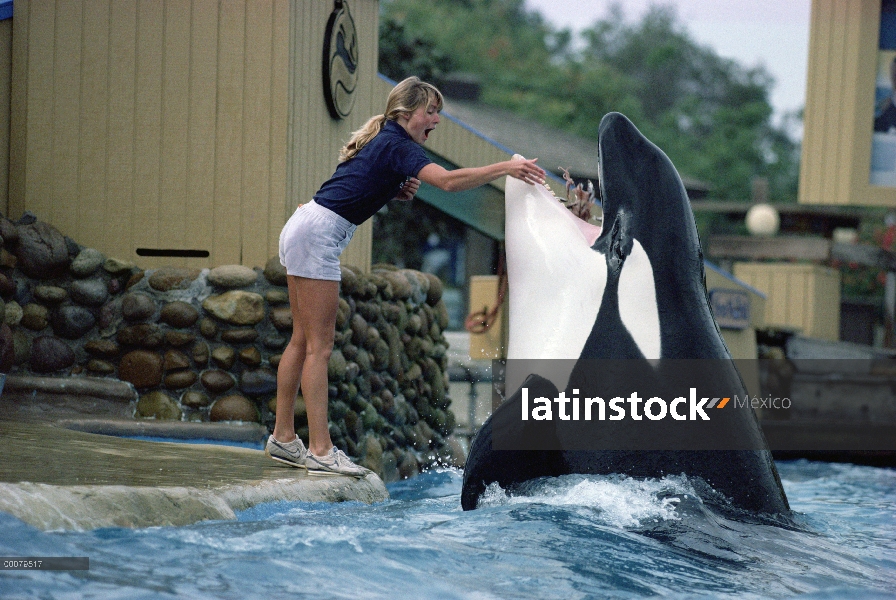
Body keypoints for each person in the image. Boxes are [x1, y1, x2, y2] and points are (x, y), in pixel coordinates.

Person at [266, 76, 546, 476]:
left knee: (301, 340)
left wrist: (392, 190)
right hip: (317, 237)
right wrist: (507, 167)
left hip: (304, 226)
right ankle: (321, 449)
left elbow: (358, 183)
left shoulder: (386, 142)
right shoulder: (397, 142)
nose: (436, 119)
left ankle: (283, 437)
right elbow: (448, 183)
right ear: (405, 112)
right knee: (319, 348)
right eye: (430, 111)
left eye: (439, 112)